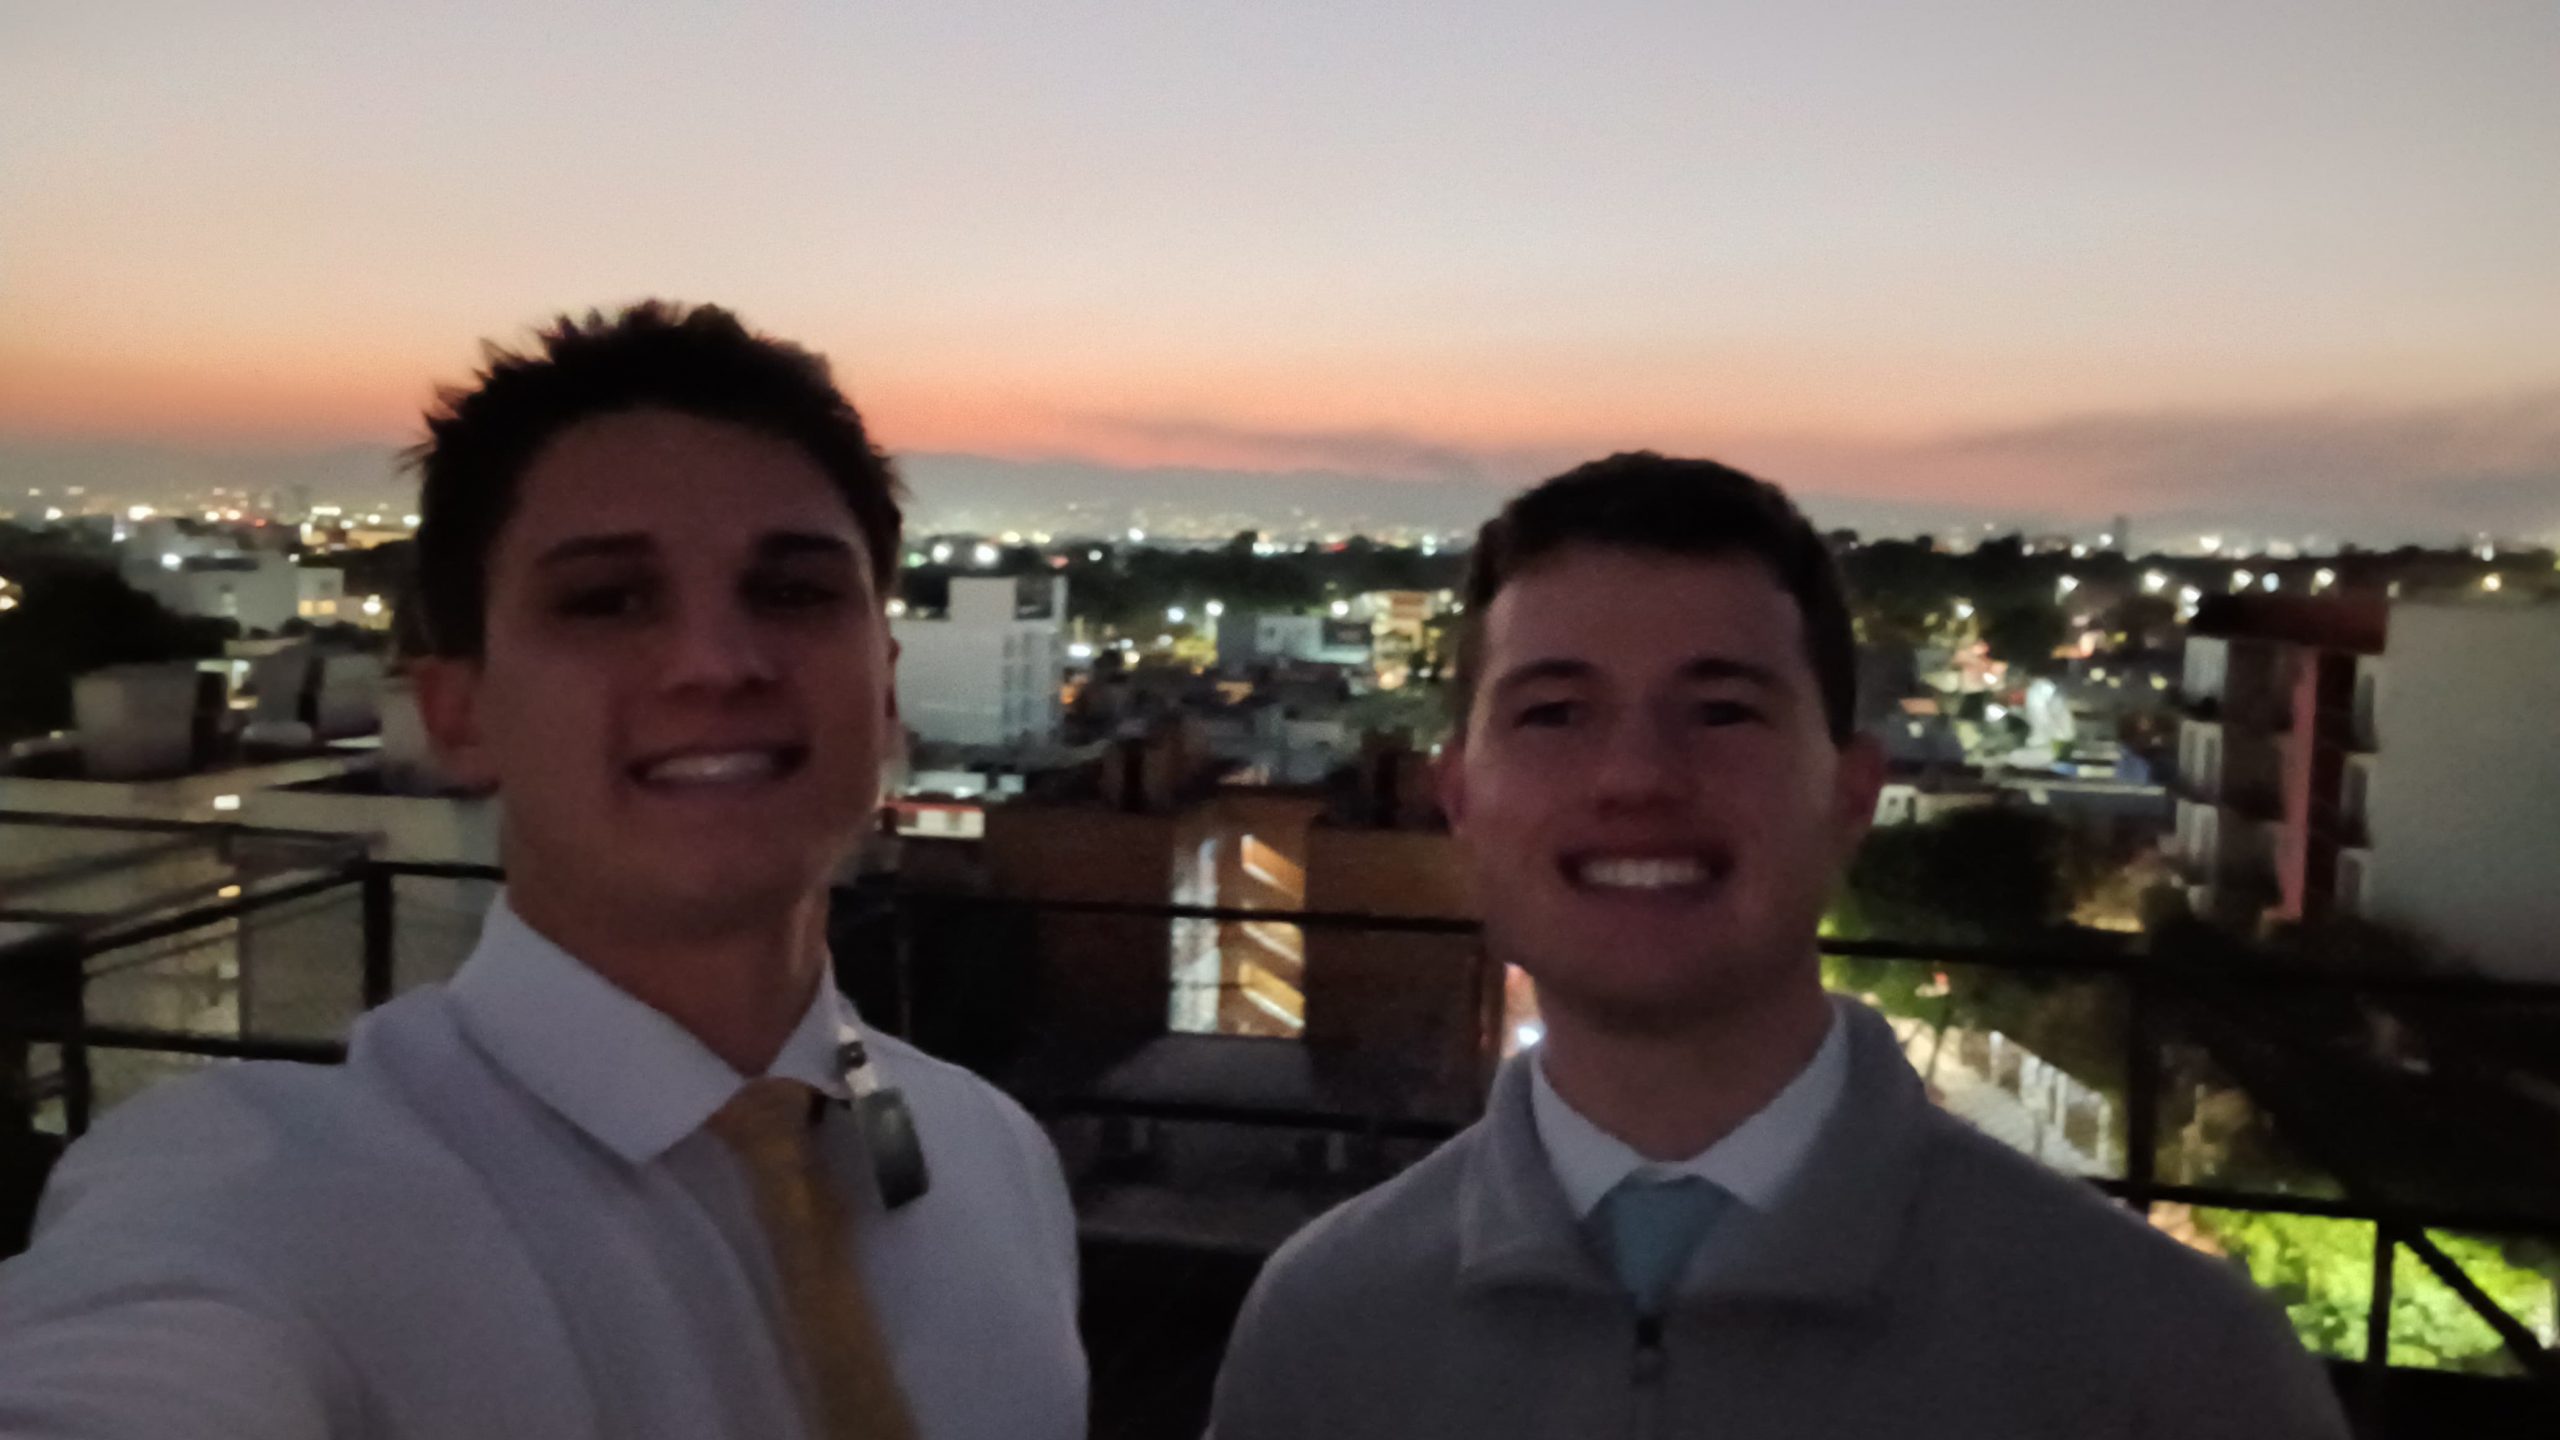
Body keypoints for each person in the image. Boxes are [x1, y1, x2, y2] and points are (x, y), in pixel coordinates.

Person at [0, 303, 1087, 1440]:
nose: (717, 662)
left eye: (794, 591)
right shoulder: (266, 1199)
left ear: (885, 684)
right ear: (457, 715)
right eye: (607, 599)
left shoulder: (994, 1161)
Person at [1209, 454, 2346, 1439]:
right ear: (1459, 796)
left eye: (1722, 710)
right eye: (1553, 712)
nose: (1636, 776)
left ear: (1851, 793)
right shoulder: (1323, 1332)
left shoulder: (2168, 1363)